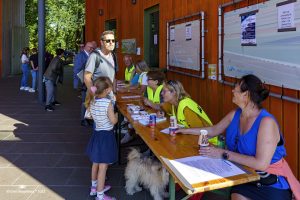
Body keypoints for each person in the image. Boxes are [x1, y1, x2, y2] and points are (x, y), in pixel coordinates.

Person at [177, 74, 299, 200]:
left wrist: (223, 153)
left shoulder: (266, 122)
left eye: (235, 88)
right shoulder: (235, 114)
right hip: (244, 176)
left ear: (246, 95)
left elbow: (261, 164)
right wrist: (184, 130)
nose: (232, 90)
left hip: (270, 182)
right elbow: (213, 130)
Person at [85, 76, 118, 200]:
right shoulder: (108, 103)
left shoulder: (92, 101)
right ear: (107, 90)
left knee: (95, 163)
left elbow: (89, 117)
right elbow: (113, 121)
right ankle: (100, 195)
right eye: (110, 87)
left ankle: (94, 187)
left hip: (97, 134)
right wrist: (116, 114)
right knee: (103, 166)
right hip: (106, 136)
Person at [84, 30, 117, 104]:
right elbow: (87, 78)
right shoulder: (94, 56)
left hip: (110, 98)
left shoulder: (113, 56)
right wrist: (95, 95)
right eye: (108, 41)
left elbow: (113, 76)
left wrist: (114, 93)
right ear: (102, 42)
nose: (111, 43)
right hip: (98, 99)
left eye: (113, 40)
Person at [73, 42, 95, 126]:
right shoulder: (80, 56)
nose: (91, 49)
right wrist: (83, 81)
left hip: (90, 83)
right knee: (84, 101)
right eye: (89, 47)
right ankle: (83, 119)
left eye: (92, 48)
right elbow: (77, 70)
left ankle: (88, 117)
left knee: (90, 100)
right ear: (85, 47)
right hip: (83, 83)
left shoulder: (90, 55)